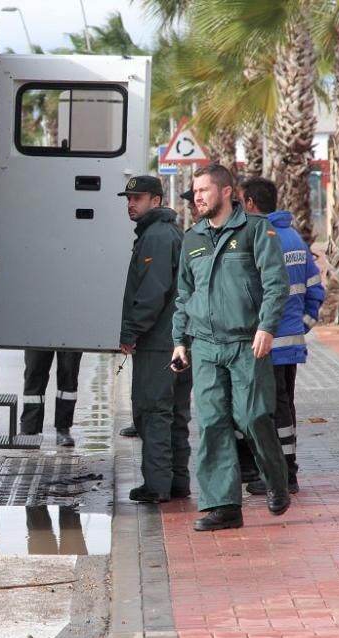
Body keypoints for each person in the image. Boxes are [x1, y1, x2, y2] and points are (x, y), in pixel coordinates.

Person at [170, 163, 291, 531]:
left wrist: (267, 327)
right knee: (211, 424)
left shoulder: (256, 230)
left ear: (227, 192)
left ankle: (276, 480)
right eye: (195, 192)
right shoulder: (191, 238)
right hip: (206, 345)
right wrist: (179, 341)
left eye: (204, 190)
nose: (197, 197)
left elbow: (276, 283)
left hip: (246, 343)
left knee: (253, 417)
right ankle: (223, 506)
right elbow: (184, 294)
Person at [237, 177, 326, 495]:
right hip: (290, 345)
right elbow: (315, 290)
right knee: (285, 409)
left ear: (249, 203)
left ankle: (282, 476)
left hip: (267, 345)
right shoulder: (295, 239)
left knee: (269, 411)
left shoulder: (259, 238)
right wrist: (299, 326)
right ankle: (288, 470)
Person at [117, 176, 193, 502]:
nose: (131, 203)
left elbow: (152, 292)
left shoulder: (157, 236)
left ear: (157, 200)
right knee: (175, 413)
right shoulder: (168, 232)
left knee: (153, 412)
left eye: (139, 197)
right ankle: (177, 482)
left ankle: (158, 485)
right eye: (129, 198)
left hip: (159, 342)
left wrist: (130, 331)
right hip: (178, 340)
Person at [20, 349, 83, 447]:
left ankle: (63, 429)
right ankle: (30, 428)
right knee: (34, 371)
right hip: (37, 334)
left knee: (69, 373)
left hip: (71, 334)